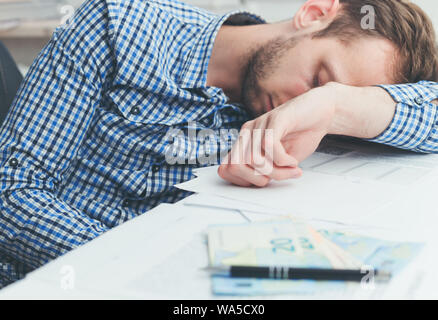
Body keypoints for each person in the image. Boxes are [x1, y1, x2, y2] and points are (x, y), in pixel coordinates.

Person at [0, 0, 437, 287]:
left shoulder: (306, 121)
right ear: (315, 12)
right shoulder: (117, 26)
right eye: (319, 78)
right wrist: (143, 274)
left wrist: (336, 104)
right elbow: (11, 191)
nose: (298, 104)